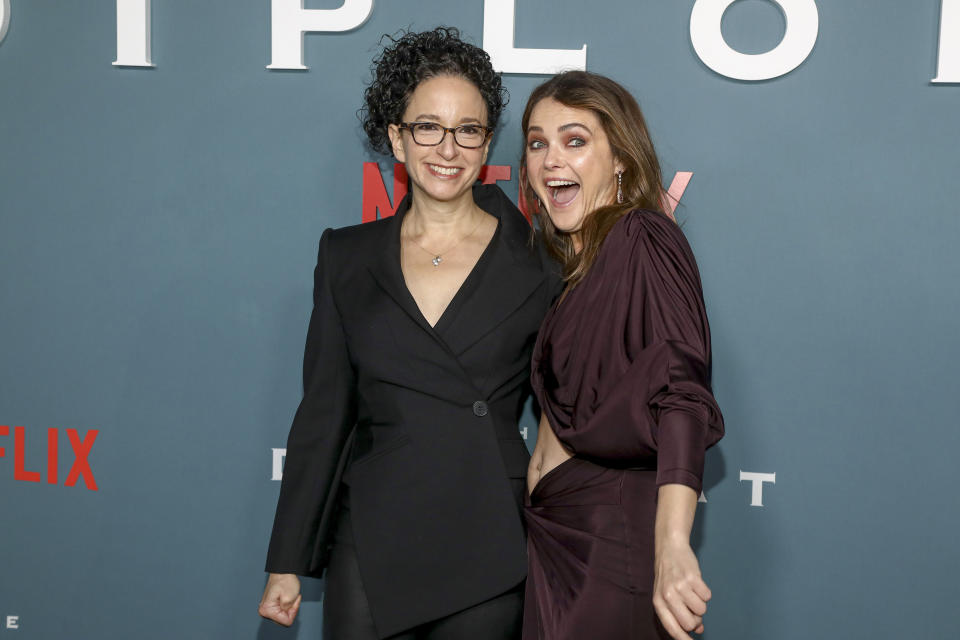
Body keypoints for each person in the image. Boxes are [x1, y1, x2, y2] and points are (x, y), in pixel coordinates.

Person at [257, 27, 559, 640]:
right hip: (372, 532)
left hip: (487, 530)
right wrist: (287, 562)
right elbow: (323, 414)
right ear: (396, 137)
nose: (447, 148)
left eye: (467, 130)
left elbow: (567, 406)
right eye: (427, 127)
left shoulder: (538, 260)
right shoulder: (346, 257)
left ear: (486, 143)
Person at [520, 71, 725, 640]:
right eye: (537, 143)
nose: (550, 159)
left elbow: (681, 389)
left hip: (609, 534)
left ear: (621, 161)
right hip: (554, 534)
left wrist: (673, 543)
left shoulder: (643, 236)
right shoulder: (578, 265)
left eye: (574, 140)